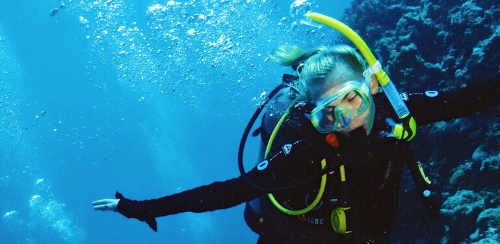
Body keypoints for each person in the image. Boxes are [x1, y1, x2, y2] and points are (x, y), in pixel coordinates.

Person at [93, 16, 500, 244]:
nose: (346, 123)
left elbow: (469, 98)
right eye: (328, 115)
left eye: (353, 101)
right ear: (311, 116)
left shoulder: (397, 110)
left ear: (373, 85)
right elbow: (225, 192)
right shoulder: (304, 152)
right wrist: (140, 208)